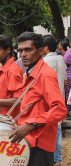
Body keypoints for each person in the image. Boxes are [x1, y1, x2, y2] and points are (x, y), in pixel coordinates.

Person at [9, 32, 67, 166]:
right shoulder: (30, 72)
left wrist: (31, 125)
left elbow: (60, 109)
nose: (23, 54)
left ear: (41, 51)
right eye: (20, 50)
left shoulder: (45, 75)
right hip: (29, 140)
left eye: (28, 50)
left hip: (39, 142)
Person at [42, 35, 67, 166]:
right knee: (57, 127)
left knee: (53, 130)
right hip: (60, 99)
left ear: (45, 47)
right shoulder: (60, 59)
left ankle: (56, 158)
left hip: (48, 101)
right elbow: (65, 82)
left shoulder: (44, 62)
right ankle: (57, 158)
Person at [63, 40, 71, 119]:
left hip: (69, 76)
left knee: (69, 95)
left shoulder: (69, 52)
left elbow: (64, 62)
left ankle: (68, 112)